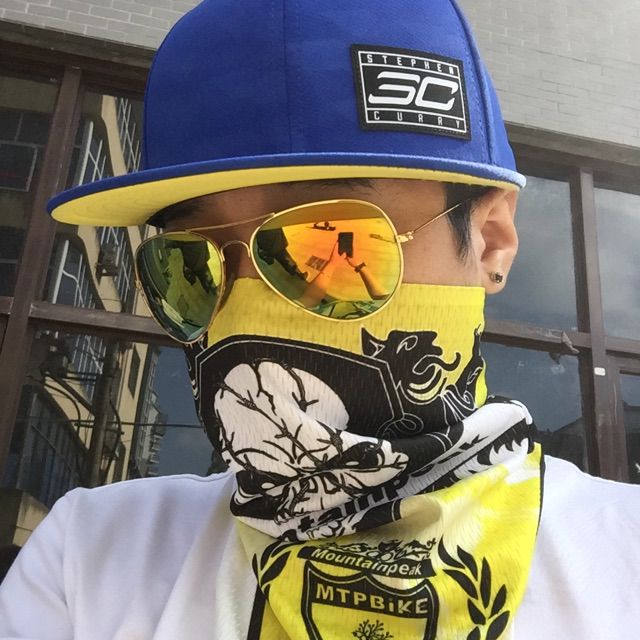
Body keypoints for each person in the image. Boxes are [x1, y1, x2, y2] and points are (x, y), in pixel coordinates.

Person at [1, 0, 639, 638]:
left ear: (491, 241)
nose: (245, 305)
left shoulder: (623, 557)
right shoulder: (91, 555)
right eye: (189, 265)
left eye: (329, 245)